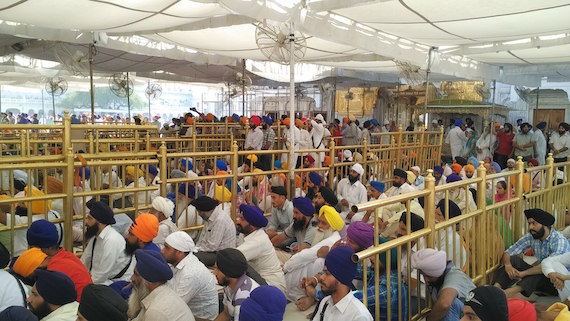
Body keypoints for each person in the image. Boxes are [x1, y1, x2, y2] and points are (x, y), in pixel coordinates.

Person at [493, 208, 569, 298]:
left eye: (534, 223)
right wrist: (508, 265)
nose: (530, 227)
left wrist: (523, 273)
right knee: (514, 260)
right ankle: (495, 289)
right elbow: (509, 252)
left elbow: (548, 266)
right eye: (529, 223)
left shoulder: (559, 240)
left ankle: (507, 293)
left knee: (541, 271)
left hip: (559, 283)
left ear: (545, 225)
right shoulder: (532, 237)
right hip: (544, 276)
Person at [28, 220, 92, 300]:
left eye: (32, 248)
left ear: (45, 249)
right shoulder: (68, 255)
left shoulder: (53, 271)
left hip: (77, 309)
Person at [161, 232, 218, 321]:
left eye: (167, 248)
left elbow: (173, 307)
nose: (162, 251)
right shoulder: (178, 263)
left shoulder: (190, 274)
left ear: (179, 252)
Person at [128, 249, 195, 320]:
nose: (132, 279)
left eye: (136, 274)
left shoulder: (155, 311)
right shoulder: (164, 292)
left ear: (149, 281)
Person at [411, 248, 475, 321]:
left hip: (473, 316)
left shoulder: (455, 276)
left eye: (429, 276)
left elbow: (444, 304)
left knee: (450, 305)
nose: (426, 279)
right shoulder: (436, 279)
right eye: (423, 275)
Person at [311, 246, 373, 321]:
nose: (321, 278)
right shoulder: (325, 303)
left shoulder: (358, 316)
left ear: (341, 277)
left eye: (327, 273)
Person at [236, 204, 286, 293]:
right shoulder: (243, 234)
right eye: (239, 218)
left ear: (252, 225)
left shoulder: (258, 240)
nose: (238, 221)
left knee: (239, 264)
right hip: (258, 278)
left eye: (242, 219)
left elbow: (234, 256)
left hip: (271, 285)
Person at [80, 201, 132, 285]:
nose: (86, 222)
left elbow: (101, 275)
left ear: (100, 223)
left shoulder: (111, 240)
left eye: (89, 219)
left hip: (118, 282)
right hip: (100, 279)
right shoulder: (95, 237)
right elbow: (84, 261)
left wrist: (82, 284)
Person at [214, 248, 260, 321]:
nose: (214, 273)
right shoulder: (228, 285)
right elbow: (226, 314)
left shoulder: (243, 299)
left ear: (228, 272)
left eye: (218, 269)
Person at [193, 196, 236, 267]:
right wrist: (195, 249)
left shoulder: (220, 220)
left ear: (206, 210)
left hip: (222, 255)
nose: (199, 214)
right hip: (211, 251)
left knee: (192, 258)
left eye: (200, 212)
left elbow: (212, 246)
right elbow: (202, 239)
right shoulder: (210, 216)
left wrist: (196, 250)